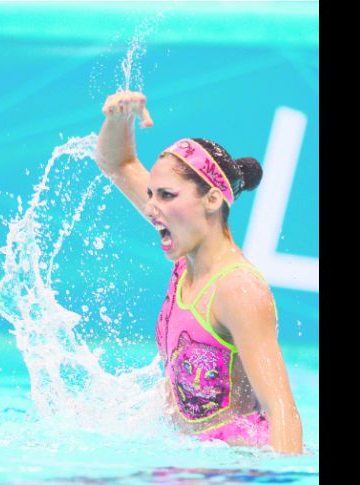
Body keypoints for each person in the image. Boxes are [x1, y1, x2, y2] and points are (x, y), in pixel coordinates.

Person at [94, 90, 302, 453]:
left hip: (237, 465)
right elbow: (118, 162)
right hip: (188, 457)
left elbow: (281, 409)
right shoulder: (185, 257)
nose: (152, 207)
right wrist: (120, 118)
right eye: (152, 194)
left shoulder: (238, 289)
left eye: (167, 196)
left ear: (211, 200)